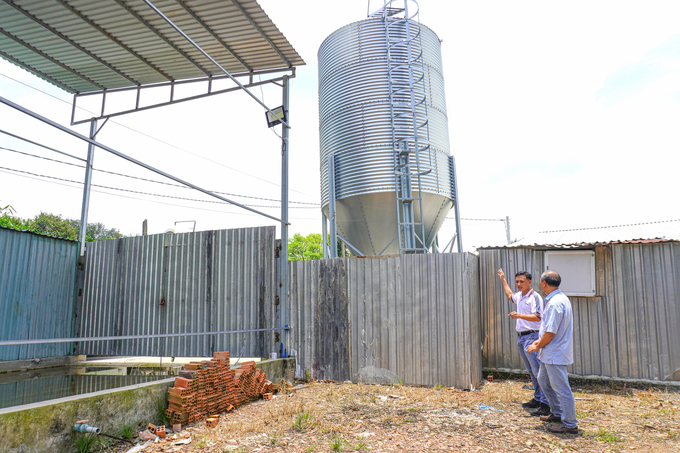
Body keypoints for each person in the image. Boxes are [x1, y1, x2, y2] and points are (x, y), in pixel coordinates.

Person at [528, 270, 578, 434]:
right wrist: (539, 341)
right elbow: (548, 330)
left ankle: (570, 424)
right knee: (544, 381)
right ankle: (557, 413)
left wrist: (537, 346)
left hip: (554, 353)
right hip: (550, 352)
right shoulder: (558, 299)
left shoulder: (556, 302)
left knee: (562, 389)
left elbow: (550, 332)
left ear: (543, 283)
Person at [497, 268, 550, 416]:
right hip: (521, 337)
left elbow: (538, 317)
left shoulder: (535, 297)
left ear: (529, 282)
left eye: (522, 282)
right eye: (517, 282)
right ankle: (538, 398)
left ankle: (546, 403)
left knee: (538, 371)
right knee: (532, 371)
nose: (519, 284)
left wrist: (520, 315)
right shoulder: (519, 296)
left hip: (532, 337)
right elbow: (509, 295)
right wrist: (503, 280)